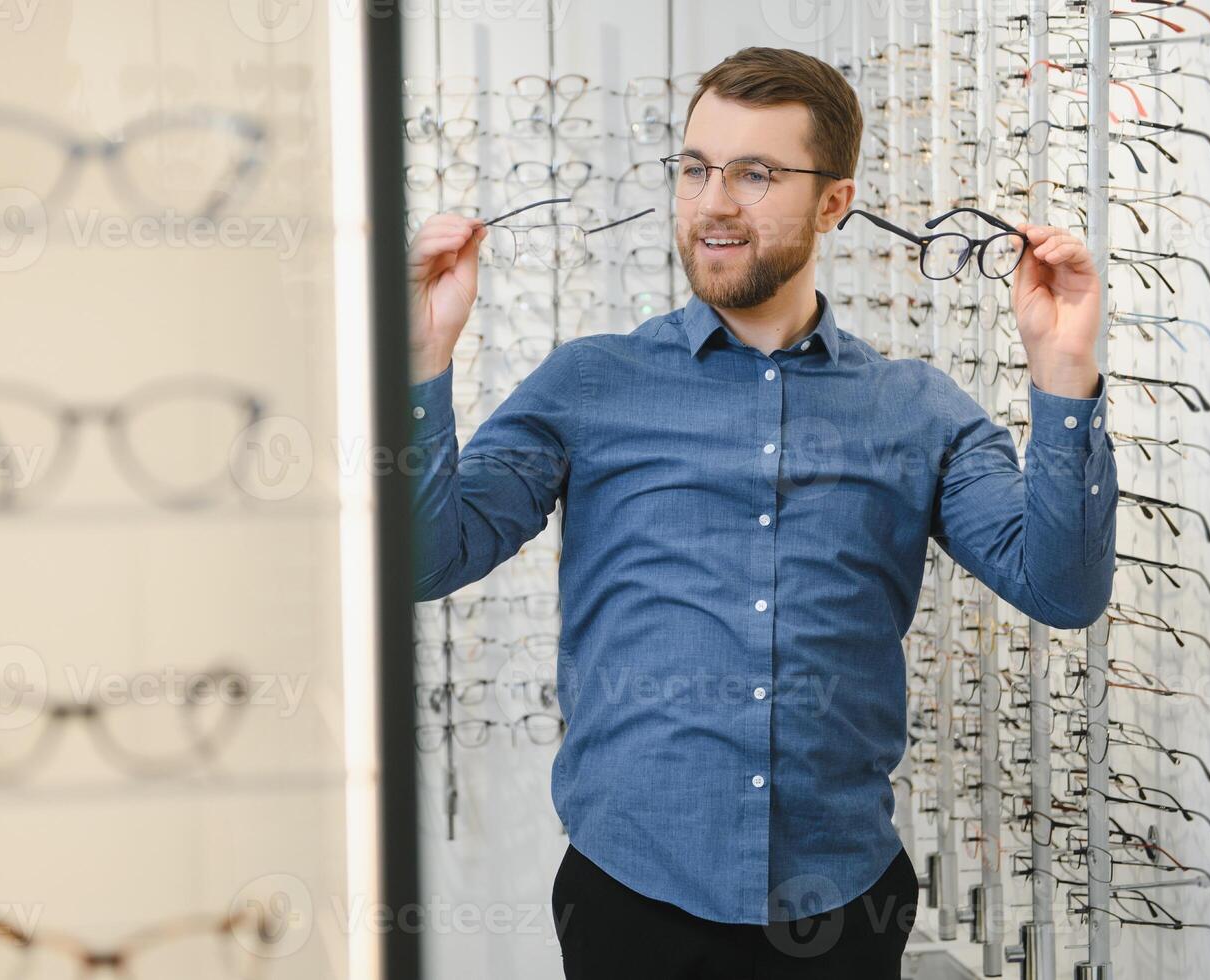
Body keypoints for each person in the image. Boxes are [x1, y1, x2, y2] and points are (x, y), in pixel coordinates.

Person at [406, 45, 1115, 980]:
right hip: (632, 897)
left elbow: (1060, 589)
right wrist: (418, 364)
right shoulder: (588, 383)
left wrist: (1063, 376)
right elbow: (424, 562)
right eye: (695, 169)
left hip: (843, 904)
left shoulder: (919, 409)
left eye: (755, 174)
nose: (713, 203)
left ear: (833, 203)